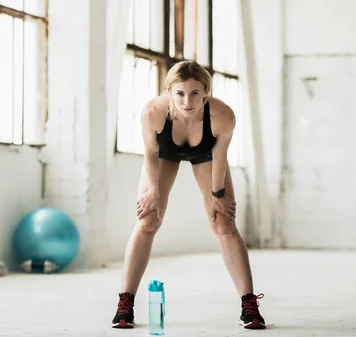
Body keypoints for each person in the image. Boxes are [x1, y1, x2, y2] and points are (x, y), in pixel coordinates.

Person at [111, 60, 266, 330]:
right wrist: (154, 193)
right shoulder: (153, 111)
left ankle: (249, 305)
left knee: (223, 222)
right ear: (169, 91)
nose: (187, 101)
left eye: (195, 93)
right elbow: (150, 153)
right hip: (163, 154)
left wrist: (218, 194)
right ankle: (125, 304)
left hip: (206, 155)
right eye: (180, 93)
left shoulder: (223, 115)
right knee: (147, 219)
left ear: (206, 91)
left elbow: (220, 155)